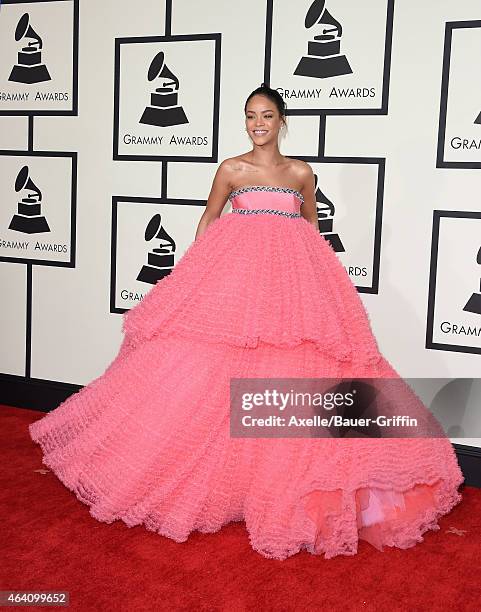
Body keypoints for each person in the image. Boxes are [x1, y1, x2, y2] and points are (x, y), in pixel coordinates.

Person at [29, 84, 464, 560]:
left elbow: (313, 232)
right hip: (234, 287)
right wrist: (196, 275)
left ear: (282, 121)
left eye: (267, 116)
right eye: (251, 116)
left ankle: (282, 483)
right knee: (208, 380)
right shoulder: (231, 170)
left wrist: (320, 287)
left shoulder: (301, 173)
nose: (258, 124)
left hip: (292, 290)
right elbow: (209, 219)